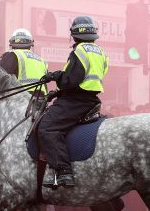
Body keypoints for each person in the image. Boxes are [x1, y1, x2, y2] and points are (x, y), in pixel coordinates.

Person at [39, 16, 108, 188]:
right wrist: (59, 92)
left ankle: (63, 172)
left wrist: (55, 76)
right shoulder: (100, 52)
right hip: (90, 99)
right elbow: (88, 79)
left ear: (74, 35)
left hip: (75, 102)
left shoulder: (79, 51)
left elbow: (71, 80)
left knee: (47, 127)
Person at [0, 28, 49, 102]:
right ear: (30, 44)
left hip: (19, 101)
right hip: (40, 102)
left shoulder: (11, 55)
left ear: (12, 43)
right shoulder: (42, 60)